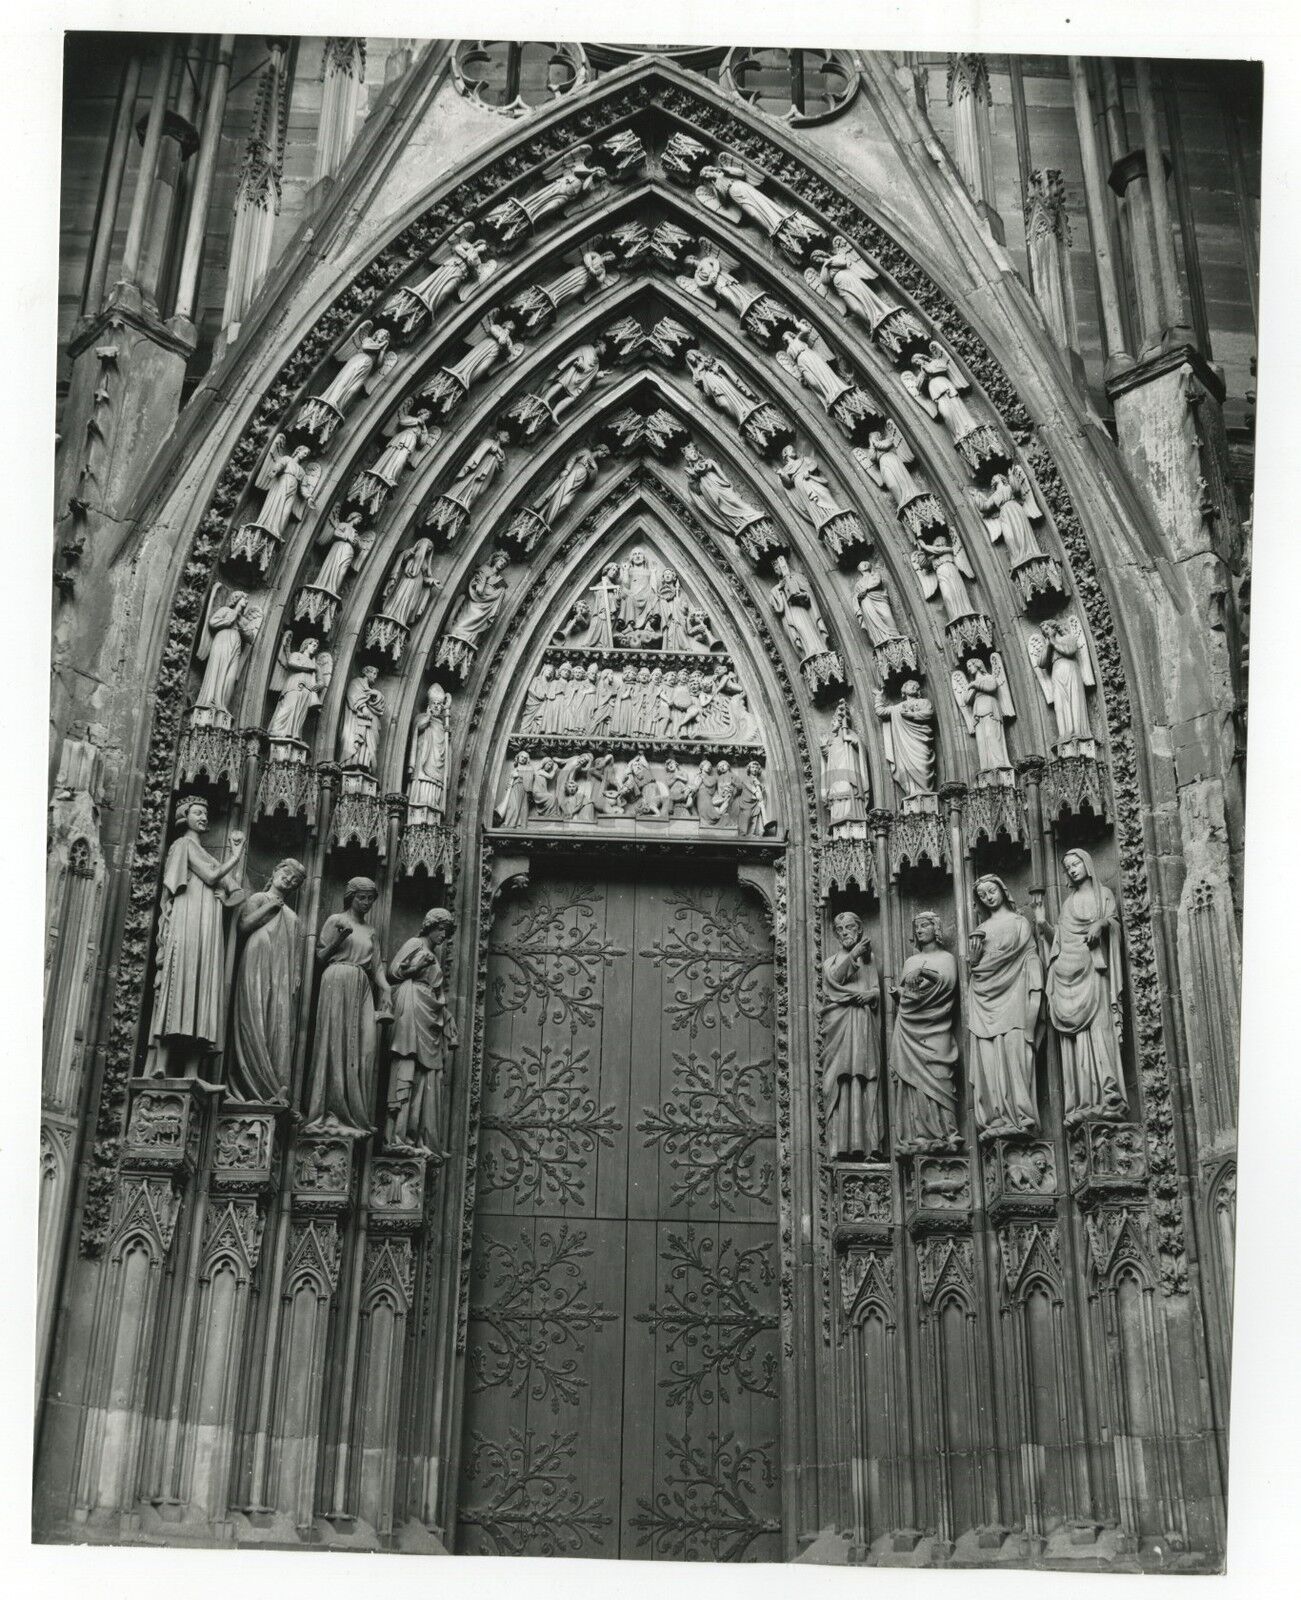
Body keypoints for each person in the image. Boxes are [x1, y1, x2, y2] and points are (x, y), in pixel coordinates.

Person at [144, 796, 245, 1078]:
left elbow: (237, 893)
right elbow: (212, 876)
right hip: (188, 920)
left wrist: (224, 898)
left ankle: (191, 1072)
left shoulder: (206, 854)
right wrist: (235, 857)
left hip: (207, 926)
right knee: (179, 985)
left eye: (206, 813)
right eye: (198, 812)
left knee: (201, 989)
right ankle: (161, 1065)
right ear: (184, 816)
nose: (203, 817)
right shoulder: (182, 845)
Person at [1037, 850, 1128, 1126]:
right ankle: (1083, 1101)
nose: (1072, 869)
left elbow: (1113, 923)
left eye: (1075, 863)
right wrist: (1043, 925)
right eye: (1067, 867)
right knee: (1076, 1043)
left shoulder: (1104, 895)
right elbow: (1060, 942)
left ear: (1087, 864)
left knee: (1100, 1030)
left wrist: (1101, 924)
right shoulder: (1069, 902)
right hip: (1068, 975)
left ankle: (1109, 1095)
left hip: (1094, 971)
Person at [305, 878, 392, 1135]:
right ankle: (329, 1111)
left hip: (362, 985)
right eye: (361, 898)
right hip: (337, 978)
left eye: (370, 899)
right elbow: (320, 956)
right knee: (334, 1042)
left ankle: (353, 1112)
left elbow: (376, 966)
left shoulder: (371, 931)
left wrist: (385, 988)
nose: (366, 903)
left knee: (364, 1049)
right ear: (350, 897)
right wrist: (340, 938)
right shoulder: (335, 920)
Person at [967, 875, 1043, 1138]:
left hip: (1015, 993)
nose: (989, 896)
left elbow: (1029, 955)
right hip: (984, 999)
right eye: (983, 894)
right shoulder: (982, 929)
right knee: (989, 1060)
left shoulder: (1019, 922)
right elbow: (976, 970)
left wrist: (1035, 987)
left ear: (1002, 889)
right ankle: (997, 1116)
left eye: (992, 890)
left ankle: (1021, 1114)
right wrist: (974, 960)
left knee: (1015, 1052)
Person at [228, 859, 306, 1103]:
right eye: (287, 873)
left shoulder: (292, 917)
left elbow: (295, 955)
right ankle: (248, 1085)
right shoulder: (259, 899)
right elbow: (242, 927)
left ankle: (273, 1085)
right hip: (255, 965)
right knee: (253, 1017)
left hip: (279, 974)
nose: (289, 880)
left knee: (277, 1023)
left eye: (295, 881)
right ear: (275, 870)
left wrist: (294, 976)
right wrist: (270, 908)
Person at [386, 909, 459, 1154]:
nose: (443, 936)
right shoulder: (415, 943)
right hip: (412, 1003)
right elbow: (394, 972)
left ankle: (417, 1137)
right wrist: (418, 964)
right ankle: (396, 1136)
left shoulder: (435, 956)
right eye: (441, 930)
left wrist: (446, 1016)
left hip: (429, 1012)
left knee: (425, 1075)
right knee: (407, 1064)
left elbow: (438, 993)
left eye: (447, 933)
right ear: (431, 926)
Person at [890, 913, 960, 1152]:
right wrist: (898, 993)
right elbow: (908, 995)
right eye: (916, 926)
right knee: (912, 1082)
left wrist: (924, 974)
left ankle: (947, 1133)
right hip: (910, 1027)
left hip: (937, 1024)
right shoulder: (911, 961)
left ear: (936, 928)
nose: (919, 930)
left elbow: (947, 984)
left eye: (925, 925)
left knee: (940, 1074)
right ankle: (918, 1134)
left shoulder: (946, 958)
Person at [820, 912, 882, 1160]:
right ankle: (840, 1144)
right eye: (840, 929)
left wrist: (873, 995)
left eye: (849, 928)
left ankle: (866, 1144)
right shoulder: (830, 963)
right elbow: (833, 981)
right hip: (840, 1025)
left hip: (863, 1023)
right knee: (842, 1078)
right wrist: (854, 955)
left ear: (859, 931)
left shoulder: (869, 961)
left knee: (863, 1077)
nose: (845, 932)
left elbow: (875, 988)